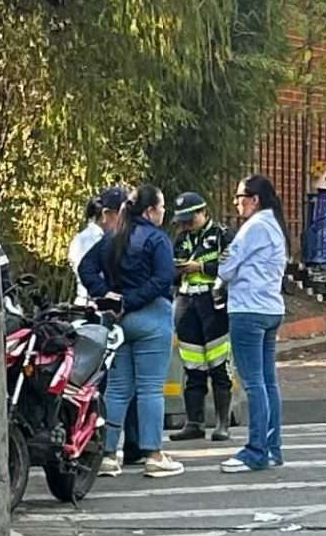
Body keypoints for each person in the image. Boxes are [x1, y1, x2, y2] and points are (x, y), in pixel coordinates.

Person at [80, 186, 179, 471]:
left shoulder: (112, 238)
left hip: (117, 321)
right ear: (150, 211)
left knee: (117, 389)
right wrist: (131, 300)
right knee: (150, 389)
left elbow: (86, 268)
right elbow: (163, 279)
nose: (163, 213)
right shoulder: (157, 239)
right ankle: (154, 455)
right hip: (152, 317)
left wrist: (106, 295)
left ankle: (108, 455)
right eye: (161, 207)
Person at [221, 172, 289, 472]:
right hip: (271, 308)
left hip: (247, 309)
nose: (236, 202)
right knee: (268, 382)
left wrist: (225, 262)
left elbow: (226, 268)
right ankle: (272, 447)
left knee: (253, 383)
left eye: (240, 196)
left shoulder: (253, 227)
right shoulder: (275, 225)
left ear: (255, 199)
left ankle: (255, 450)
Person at [169, 192, 235, 440]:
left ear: (203, 212)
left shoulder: (222, 235)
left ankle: (222, 424)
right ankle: (194, 422)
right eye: (182, 221)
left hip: (212, 301)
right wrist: (177, 270)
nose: (186, 225)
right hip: (186, 301)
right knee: (192, 364)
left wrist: (202, 267)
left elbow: (232, 267)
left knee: (218, 363)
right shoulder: (181, 239)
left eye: (190, 219)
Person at [60, 186, 124, 303]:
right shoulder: (86, 240)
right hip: (90, 305)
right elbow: (90, 275)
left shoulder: (111, 239)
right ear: (106, 214)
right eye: (121, 215)